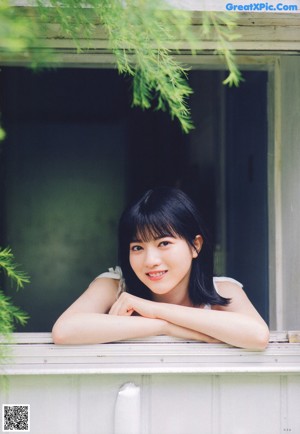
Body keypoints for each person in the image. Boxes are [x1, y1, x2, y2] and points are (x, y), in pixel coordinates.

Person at [52, 187, 269, 349]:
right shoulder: (114, 285)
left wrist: (153, 309)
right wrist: (165, 327)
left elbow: (258, 336)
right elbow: (64, 330)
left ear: (195, 246)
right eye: (137, 247)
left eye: (164, 243)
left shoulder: (221, 291)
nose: (150, 260)